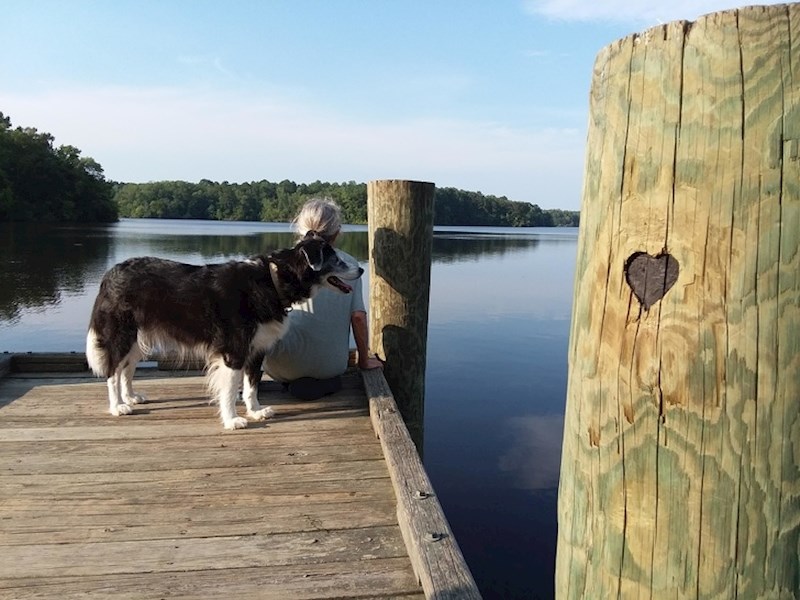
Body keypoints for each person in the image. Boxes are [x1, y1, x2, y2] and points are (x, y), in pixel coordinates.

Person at [263, 198, 382, 400]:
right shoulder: (349, 265)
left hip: (280, 365)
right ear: (336, 233)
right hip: (330, 366)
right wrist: (363, 360)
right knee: (330, 375)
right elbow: (359, 318)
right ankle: (323, 383)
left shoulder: (278, 263)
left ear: (300, 229)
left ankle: (277, 381)